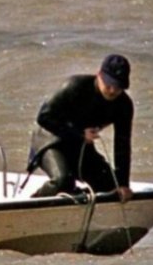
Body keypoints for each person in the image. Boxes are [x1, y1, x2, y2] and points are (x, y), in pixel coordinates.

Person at [29, 54, 134, 203]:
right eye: (109, 85)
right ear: (99, 76)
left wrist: (123, 184)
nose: (112, 91)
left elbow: (122, 145)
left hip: (79, 144)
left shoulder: (124, 106)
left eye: (118, 87)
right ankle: (33, 203)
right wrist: (78, 134)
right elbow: (44, 117)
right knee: (62, 180)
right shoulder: (75, 86)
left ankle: (75, 199)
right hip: (50, 140)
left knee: (111, 186)